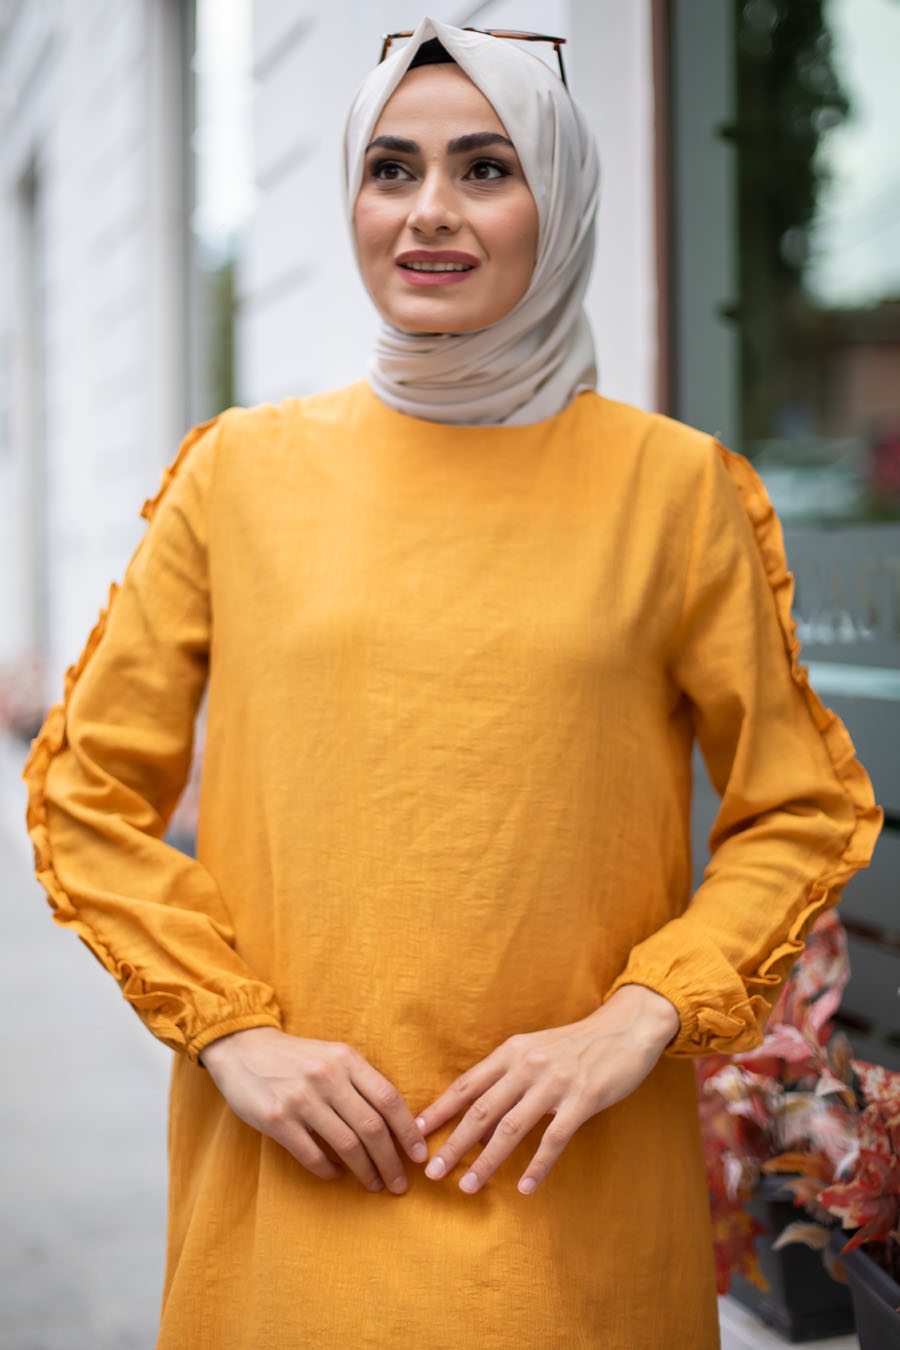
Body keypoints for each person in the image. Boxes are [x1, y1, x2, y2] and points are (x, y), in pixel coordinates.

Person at [23, 17, 881, 1350]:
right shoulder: (236, 479)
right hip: (298, 1192)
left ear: (563, 194)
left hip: (574, 1206)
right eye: (390, 168)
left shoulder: (677, 492)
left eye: (486, 167)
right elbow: (85, 793)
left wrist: (641, 1015)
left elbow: (801, 806)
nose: (429, 211)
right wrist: (234, 1036)